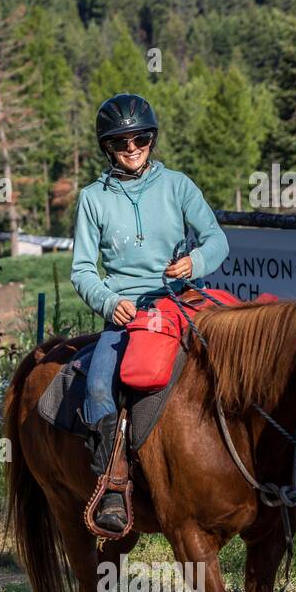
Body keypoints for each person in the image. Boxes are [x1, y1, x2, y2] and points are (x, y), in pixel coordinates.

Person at [71, 93, 229, 533]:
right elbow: (82, 270)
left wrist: (195, 263)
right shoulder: (91, 199)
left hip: (180, 304)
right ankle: (113, 487)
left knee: (238, 365)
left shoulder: (178, 186)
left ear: (151, 139)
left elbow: (217, 239)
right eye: (121, 142)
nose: (132, 148)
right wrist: (108, 301)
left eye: (140, 138)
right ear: (107, 148)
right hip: (125, 314)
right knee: (100, 386)